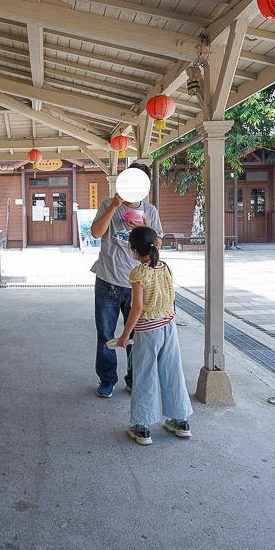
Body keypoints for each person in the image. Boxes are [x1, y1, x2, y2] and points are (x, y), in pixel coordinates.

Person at [89, 162, 163, 398]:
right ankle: (107, 379)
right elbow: (96, 232)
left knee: (135, 337)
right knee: (106, 336)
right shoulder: (107, 204)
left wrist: (144, 228)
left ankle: (133, 378)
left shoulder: (150, 211)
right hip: (107, 281)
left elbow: (157, 245)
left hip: (137, 285)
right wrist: (114, 205)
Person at [116, 226, 192, 445]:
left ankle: (142, 426)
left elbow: (137, 308)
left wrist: (124, 335)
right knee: (172, 370)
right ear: (156, 244)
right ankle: (180, 421)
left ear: (133, 250)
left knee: (144, 374)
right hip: (169, 326)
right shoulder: (165, 267)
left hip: (148, 330)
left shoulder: (139, 273)